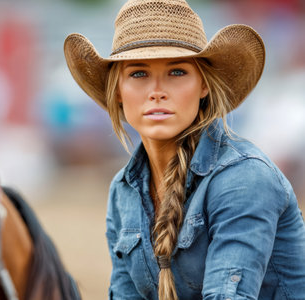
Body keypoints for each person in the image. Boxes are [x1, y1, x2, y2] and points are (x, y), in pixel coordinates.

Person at [64, 0, 305, 299]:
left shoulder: (245, 179)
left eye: (177, 72)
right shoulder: (123, 192)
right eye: (138, 73)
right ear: (118, 92)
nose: (157, 92)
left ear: (203, 85)